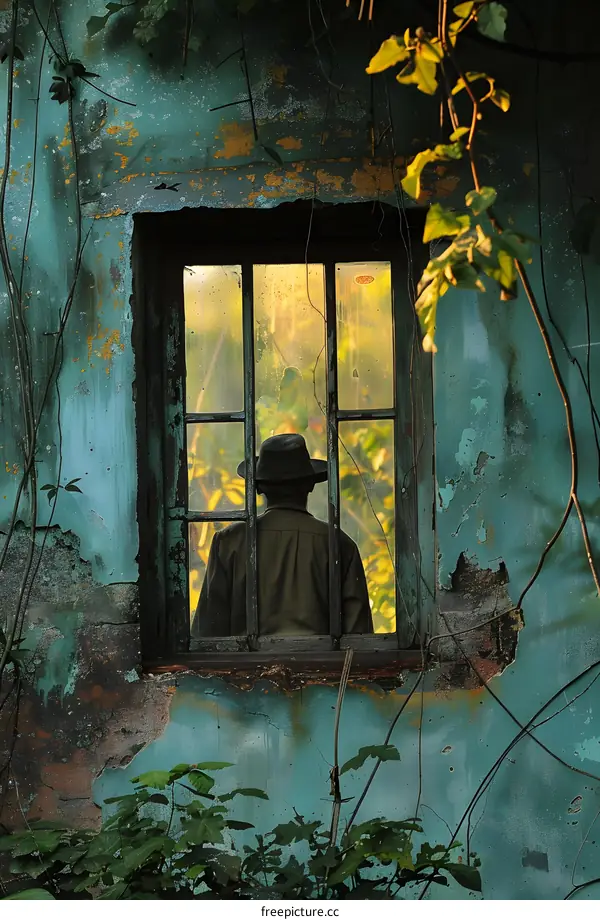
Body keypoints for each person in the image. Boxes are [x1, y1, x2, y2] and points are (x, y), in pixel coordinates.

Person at [193, 433, 373, 637]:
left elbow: (207, 633)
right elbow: (359, 638)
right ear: (311, 484)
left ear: (258, 487)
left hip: (245, 667)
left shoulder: (229, 542)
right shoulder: (339, 544)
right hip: (322, 666)